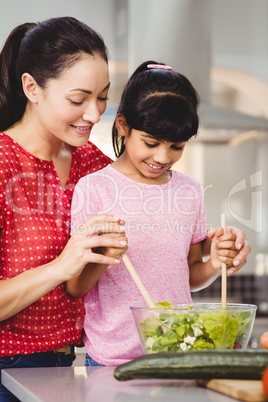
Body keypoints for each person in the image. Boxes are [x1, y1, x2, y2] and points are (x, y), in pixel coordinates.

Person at [67, 61, 251, 367]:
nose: (163, 157)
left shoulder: (189, 191)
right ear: (123, 125)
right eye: (151, 143)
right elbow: (75, 287)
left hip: (176, 352)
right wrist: (106, 254)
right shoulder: (94, 188)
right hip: (113, 359)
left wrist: (216, 262)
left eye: (176, 146)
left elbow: (190, 275)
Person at [0, 16, 128, 401]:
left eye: (103, 96)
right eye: (78, 99)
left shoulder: (92, 162)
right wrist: (61, 266)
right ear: (31, 88)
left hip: (68, 367)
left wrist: (207, 248)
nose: (94, 114)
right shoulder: (3, 162)